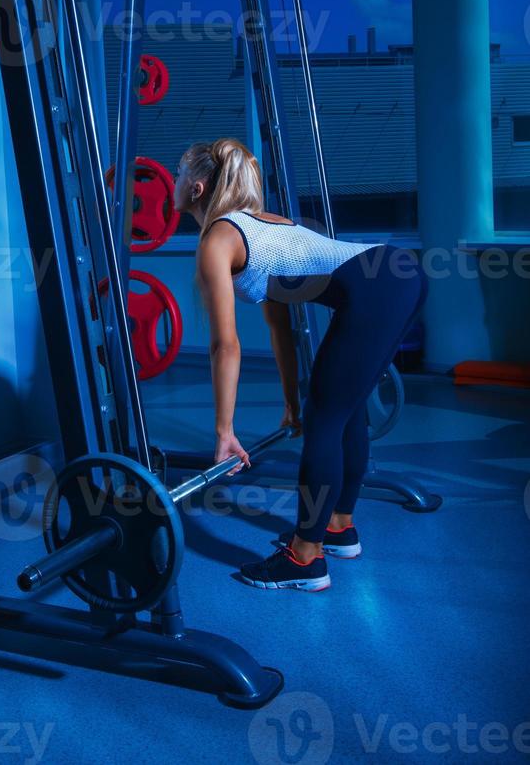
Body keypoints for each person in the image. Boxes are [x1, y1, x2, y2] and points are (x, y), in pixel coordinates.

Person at [173, 137, 429, 593]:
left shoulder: (218, 238)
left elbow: (224, 346)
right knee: (338, 413)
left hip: (381, 285)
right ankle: (337, 528)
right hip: (399, 274)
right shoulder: (263, 224)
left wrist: (224, 431)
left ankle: (305, 559)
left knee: (327, 420)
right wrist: (291, 404)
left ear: (195, 187)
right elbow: (281, 329)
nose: (172, 183)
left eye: (177, 175)